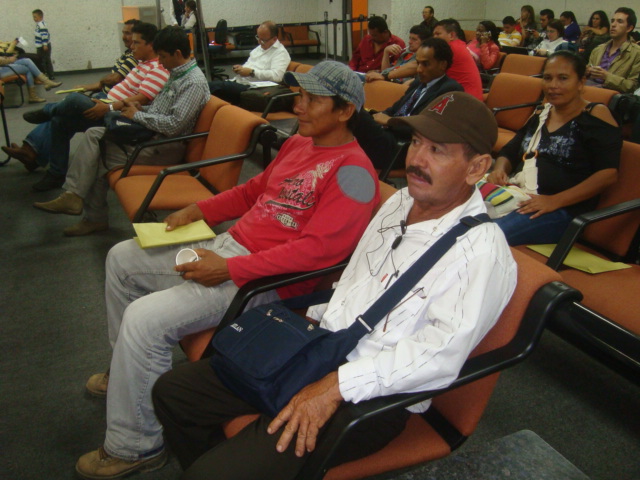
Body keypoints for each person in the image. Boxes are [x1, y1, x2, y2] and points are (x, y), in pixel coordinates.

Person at [151, 90, 517, 480]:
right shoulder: (400, 202)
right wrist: (307, 333)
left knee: (214, 474)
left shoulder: (481, 253)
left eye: (437, 150)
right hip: (322, 346)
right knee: (172, 393)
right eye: (415, 142)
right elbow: (355, 278)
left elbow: (439, 357)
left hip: (374, 394)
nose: (416, 160)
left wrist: (336, 385)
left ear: (477, 168)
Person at [73, 60, 379, 480]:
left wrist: (233, 268)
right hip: (232, 250)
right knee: (123, 258)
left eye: (312, 100)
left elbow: (321, 253)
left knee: (144, 319)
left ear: (345, 111)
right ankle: (127, 374)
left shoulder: (355, 173)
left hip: (268, 282)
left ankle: (136, 445)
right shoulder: (298, 143)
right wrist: (199, 209)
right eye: (299, 96)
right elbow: (253, 192)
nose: (298, 106)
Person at [32, 26, 209, 237]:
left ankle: (89, 213)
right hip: (151, 136)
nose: (160, 62)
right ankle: (76, 199)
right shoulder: (177, 75)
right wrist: (138, 109)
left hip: (163, 146)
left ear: (177, 53)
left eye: (162, 56)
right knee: (94, 134)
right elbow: (161, 111)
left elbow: (173, 126)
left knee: (96, 155)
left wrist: (137, 116)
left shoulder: (193, 82)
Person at [2, 22, 168, 192]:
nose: (131, 46)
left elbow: (141, 100)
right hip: (106, 103)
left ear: (151, 45)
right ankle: (56, 173)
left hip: (116, 115)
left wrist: (108, 107)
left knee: (74, 100)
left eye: (136, 43)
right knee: (59, 121)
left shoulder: (157, 68)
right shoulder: (141, 63)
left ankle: (47, 111)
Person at [488, 51, 621, 246]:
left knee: (486, 236)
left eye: (563, 78)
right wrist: (500, 170)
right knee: (456, 214)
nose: (553, 85)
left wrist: (554, 201)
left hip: (560, 211)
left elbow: (608, 174)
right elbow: (509, 151)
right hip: (519, 195)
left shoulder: (596, 115)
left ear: (581, 82)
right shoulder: (541, 114)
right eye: (548, 78)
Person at [355, 37, 463, 169]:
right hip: (388, 136)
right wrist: (376, 117)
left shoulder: (450, 90)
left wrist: (390, 121)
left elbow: (426, 128)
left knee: (354, 112)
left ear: (443, 65)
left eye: (425, 64)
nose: (419, 69)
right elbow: (396, 108)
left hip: (404, 147)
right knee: (356, 115)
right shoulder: (418, 83)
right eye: (418, 63)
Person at [208, 21, 290, 105]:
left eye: (263, 40)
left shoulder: (280, 53)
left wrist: (252, 72)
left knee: (215, 87)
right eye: (258, 37)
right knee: (212, 90)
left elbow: (277, 76)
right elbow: (249, 64)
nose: (259, 42)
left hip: (253, 88)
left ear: (274, 39)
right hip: (240, 82)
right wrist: (241, 68)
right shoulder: (259, 48)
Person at [74, 19, 141, 97]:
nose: (123, 37)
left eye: (127, 33)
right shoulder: (127, 53)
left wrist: (98, 83)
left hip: (110, 97)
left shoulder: (135, 56)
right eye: (123, 33)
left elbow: (115, 79)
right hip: (105, 94)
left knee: (73, 98)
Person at [587, 7, 640, 93]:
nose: (613, 25)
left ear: (629, 28)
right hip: (590, 88)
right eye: (612, 21)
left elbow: (632, 86)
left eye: (619, 21)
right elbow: (588, 68)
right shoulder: (598, 49)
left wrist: (607, 77)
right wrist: (587, 71)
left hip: (612, 95)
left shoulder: (636, 53)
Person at [432, 19, 483, 100]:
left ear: (451, 35)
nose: (434, 38)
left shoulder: (450, 48)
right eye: (434, 34)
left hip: (466, 101)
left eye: (438, 34)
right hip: (461, 96)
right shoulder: (458, 44)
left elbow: (427, 67)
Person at [32, 9, 54, 79]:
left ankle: (48, 75)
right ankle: (47, 75)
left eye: (35, 17)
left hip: (43, 46)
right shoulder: (39, 25)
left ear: (41, 17)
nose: (34, 18)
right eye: (33, 17)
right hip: (40, 46)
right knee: (43, 60)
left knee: (45, 61)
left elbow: (44, 35)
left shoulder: (41, 25)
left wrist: (45, 44)